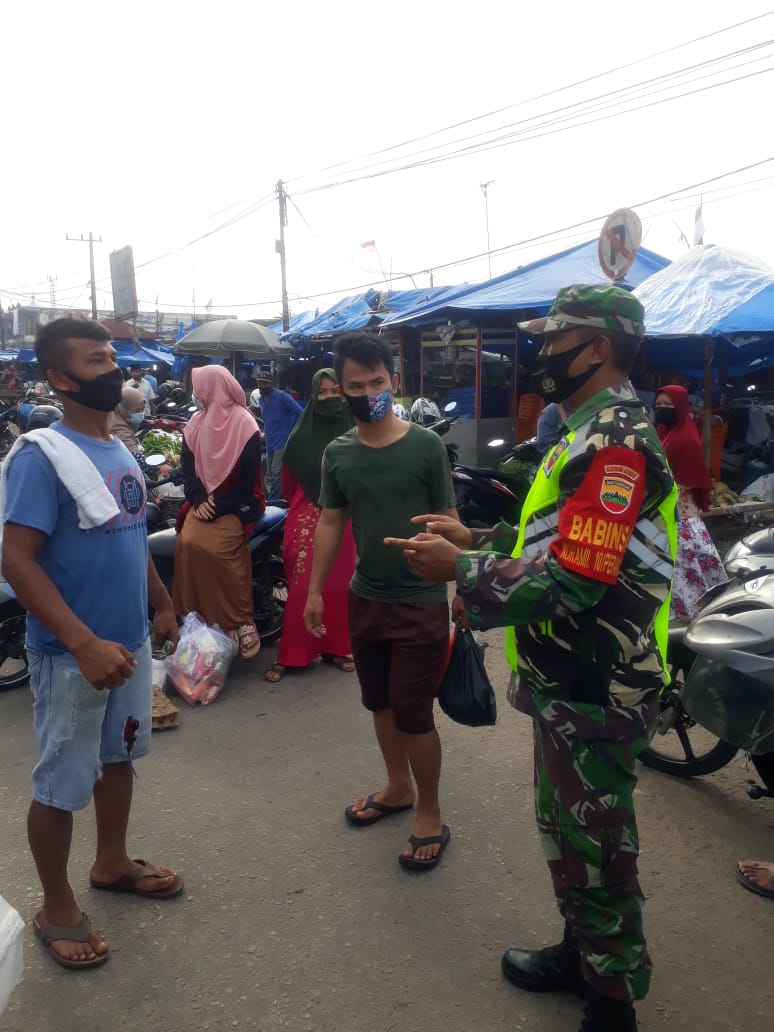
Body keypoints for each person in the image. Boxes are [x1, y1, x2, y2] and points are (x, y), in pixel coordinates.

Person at [385, 285, 678, 1031]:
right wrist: (475, 544)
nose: (540, 354)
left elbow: (576, 583)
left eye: (554, 340)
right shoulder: (585, 429)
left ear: (597, 348)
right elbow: (555, 545)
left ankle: (611, 1002)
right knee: (568, 831)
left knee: (595, 838)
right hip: (570, 676)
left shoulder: (615, 441)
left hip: (596, 681)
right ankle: (582, 954)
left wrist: (457, 572)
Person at [1, 317, 183, 972]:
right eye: (94, 359)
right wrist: (81, 644)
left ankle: (110, 862)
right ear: (59, 377)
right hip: (71, 656)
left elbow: (132, 539)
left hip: (128, 644)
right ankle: (55, 907)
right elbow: (17, 561)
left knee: (117, 758)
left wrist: (160, 606)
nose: (111, 369)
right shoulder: (41, 456)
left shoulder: (120, 448)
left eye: (112, 356)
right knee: (61, 780)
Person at [303, 332, 457, 872]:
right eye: (355, 385)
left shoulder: (426, 447)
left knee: (415, 714)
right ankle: (397, 788)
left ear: (393, 381)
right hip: (364, 598)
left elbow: (451, 522)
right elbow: (329, 520)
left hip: (420, 602)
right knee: (380, 703)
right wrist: (316, 590)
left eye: (376, 382)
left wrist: (459, 577)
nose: (368, 392)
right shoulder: (338, 454)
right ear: (339, 391)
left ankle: (431, 812)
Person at [264, 368, 356, 683]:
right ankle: (293, 653)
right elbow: (288, 487)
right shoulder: (299, 438)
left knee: (338, 586)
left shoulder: (357, 435)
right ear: (313, 396)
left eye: (335, 391)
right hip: (307, 515)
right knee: (304, 586)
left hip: (345, 517)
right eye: (322, 392)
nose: (330, 397)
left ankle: (338, 647)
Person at [172, 365, 264, 659]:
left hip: (240, 502)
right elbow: (188, 471)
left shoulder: (244, 423)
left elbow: (249, 480)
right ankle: (195, 619)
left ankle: (241, 618)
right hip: (204, 504)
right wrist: (199, 499)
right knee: (188, 543)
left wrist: (219, 505)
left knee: (220, 549)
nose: (198, 393)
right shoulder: (196, 423)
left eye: (202, 386)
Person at [653, 385, 726, 620]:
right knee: (685, 561)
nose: (662, 409)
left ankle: (692, 608)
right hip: (668, 510)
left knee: (685, 559)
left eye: (668, 405)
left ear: (681, 407)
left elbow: (688, 479)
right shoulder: (664, 430)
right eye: (659, 405)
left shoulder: (686, 439)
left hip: (680, 513)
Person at [252, 376, 302, 501]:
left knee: (275, 473)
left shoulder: (282, 396)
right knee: (269, 474)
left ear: (271, 384)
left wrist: (294, 432)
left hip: (282, 441)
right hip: (269, 442)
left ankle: (275, 500)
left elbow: (300, 412)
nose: (262, 386)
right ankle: (276, 497)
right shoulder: (261, 400)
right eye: (260, 383)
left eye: (265, 383)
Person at [110, 386, 170, 476]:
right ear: (124, 409)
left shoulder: (123, 418)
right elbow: (134, 455)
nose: (140, 413)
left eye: (142, 409)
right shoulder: (118, 428)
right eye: (137, 410)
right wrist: (158, 466)